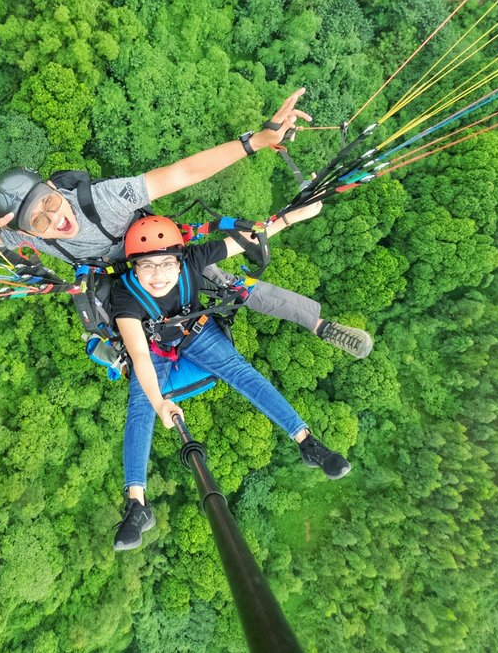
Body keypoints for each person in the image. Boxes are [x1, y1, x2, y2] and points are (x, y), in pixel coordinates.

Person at [0, 88, 372, 358]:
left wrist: (254, 142)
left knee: (225, 283)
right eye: (39, 220)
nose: (56, 219)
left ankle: (320, 325)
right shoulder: (18, 232)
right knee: (110, 318)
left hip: (151, 246)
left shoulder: (106, 200)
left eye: (51, 202)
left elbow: (181, 173)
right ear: (26, 229)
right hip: (109, 278)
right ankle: (135, 360)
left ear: (55, 186)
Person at [110, 214, 352, 551]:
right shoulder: (125, 297)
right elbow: (138, 353)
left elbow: (245, 239)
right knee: (141, 407)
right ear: (134, 267)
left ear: (180, 261)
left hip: (194, 332)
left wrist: (293, 216)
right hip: (155, 350)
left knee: (242, 373)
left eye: (167, 263)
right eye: (147, 266)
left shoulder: (193, 260)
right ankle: (137, 503)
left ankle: (307, 441)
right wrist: (158, 400)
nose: (159, 274)